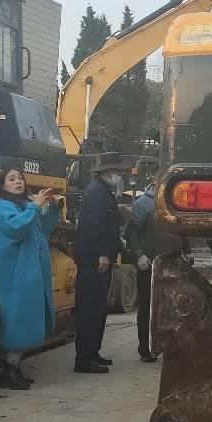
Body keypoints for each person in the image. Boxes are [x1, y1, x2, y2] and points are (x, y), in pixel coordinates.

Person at [0, 168, 60, 389]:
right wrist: (35, 206)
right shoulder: (2, 207)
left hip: (29, 274)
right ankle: (8, 372)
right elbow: (17, 228)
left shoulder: (23, 205)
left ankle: (13, 368)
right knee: (18, 321)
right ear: (3, 185)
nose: (18, 182)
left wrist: (52, 207)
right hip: (16, 275)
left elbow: (44, 227)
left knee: (26, 321)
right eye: (11, 179)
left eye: (20, 178)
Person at [125, 178, 188, 362]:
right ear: (155, 181)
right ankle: (146, 348)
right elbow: (131, 232)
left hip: (173, 263)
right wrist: (139, 255)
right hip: (150, 265)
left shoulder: (175, 202)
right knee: (148, 307)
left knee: (174, 306)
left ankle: (171, 346)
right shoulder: (143, 205)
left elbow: (182, 228)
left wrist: (188, 251)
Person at [73, 153, 125, 374]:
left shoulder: (103, 190)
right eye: (117, 171)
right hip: (93, 261)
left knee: (97, 308)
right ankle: (85, 359)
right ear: (106, 172)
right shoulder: (97, 192)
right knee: (90, 308)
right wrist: (102, 254)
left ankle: (93, 352)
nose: (120, 175)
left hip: (98, 259)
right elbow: (95, 227)